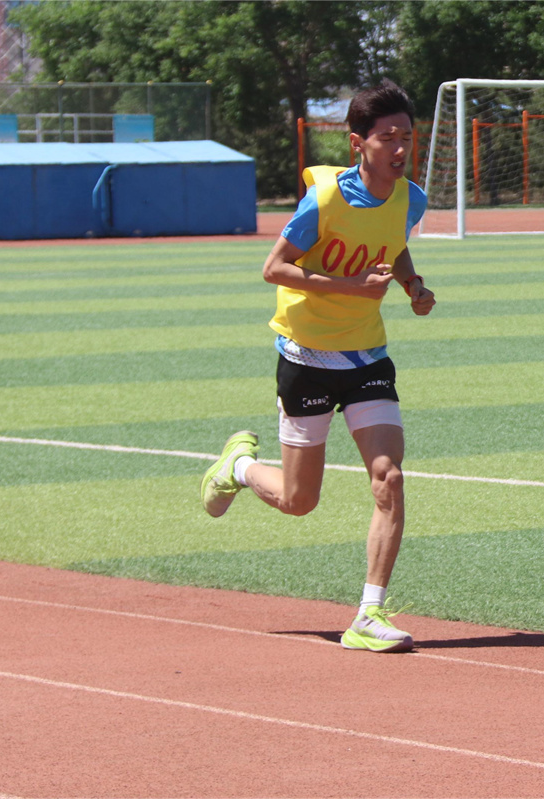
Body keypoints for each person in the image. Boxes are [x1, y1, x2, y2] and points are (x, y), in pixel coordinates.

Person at [199, 79, 435, 653]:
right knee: (299, 501)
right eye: (387, 137)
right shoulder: (325, 201)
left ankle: (368, 614)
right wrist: (351, 285)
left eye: (406, 136)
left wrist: (412, 284)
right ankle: (239, 468)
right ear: (358, 143)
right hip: (306, 356)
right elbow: (274, 268)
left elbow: (394, 242)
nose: (399, 148)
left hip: (367, 357)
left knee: (389, 477)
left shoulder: (411, 199)